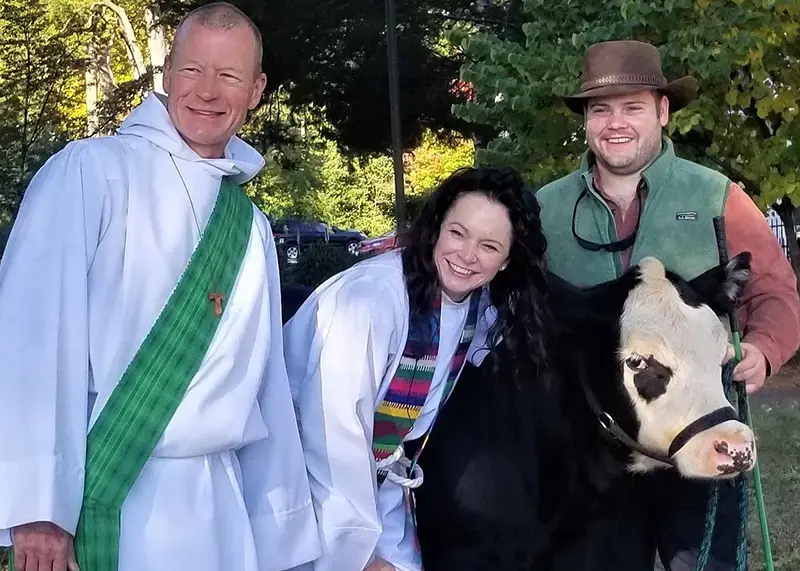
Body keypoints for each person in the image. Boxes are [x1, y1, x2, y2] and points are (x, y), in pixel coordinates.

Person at [0, 3, 320, 571]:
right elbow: (31, 338)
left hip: (220, 506)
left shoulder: (250, 227)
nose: (207, 91)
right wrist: (38, 508)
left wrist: (280, 536)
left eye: (228, 75)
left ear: (256, 89)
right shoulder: (92, 172)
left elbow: (266, 386)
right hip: (106, 495)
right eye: (193, 70)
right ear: (167, 74)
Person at [535, 40, 800, 571]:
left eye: (632, 106)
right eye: (600, 109)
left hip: (700, 433)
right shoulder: (543, 207)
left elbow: (776, 292)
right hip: (589, 457)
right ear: (586, 120)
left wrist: (762, 349)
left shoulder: (717, 196)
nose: (616, 123)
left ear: (662, 111)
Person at [283, 166, 550, 571]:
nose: (466, 255)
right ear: (437, 227)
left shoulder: (479, 308)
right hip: (302, 485)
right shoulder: (370, 301)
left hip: (378, 482)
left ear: (508, 259)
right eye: (457, 233)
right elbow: (329, 436)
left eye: (489, 246)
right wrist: (361, 556)